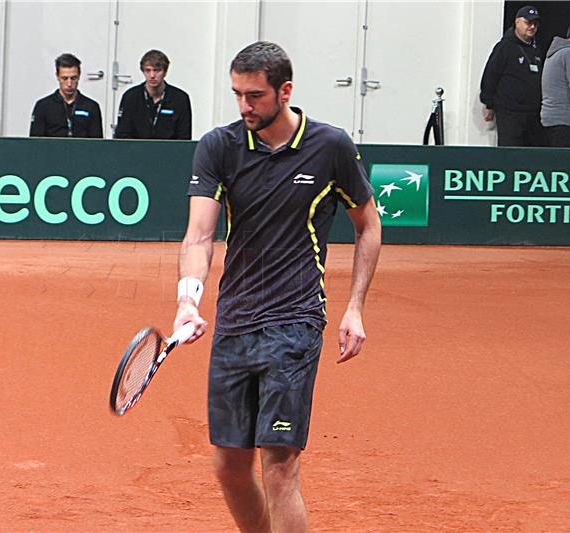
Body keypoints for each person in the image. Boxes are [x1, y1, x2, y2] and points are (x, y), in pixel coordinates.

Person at [172, 41, 381, 533]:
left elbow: (367, 224)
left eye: (255, 96)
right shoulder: (219, 146)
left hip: (295, 322)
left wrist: (354, 308)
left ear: (285, 92)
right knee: (228, 468)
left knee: (279, 465)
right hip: (235, 323)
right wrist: (187, 299)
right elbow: (199, 235)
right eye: (237, 94)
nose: (244, 106)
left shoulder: (329, 147)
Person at [480, 5, 545, 146]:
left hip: (532, 113)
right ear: (517, 22)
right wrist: (488, 104)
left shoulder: (536, 50)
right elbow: (490, 75)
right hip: (510, 112)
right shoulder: (504, 47)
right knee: (510, 154)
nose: (532, 27)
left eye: (535, 24)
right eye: (528, 23)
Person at [113, 49, 192, 140]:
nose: (152, 75)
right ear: (143, 72)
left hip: (168, 151)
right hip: (136, 150)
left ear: (165, 72)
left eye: (157, 70)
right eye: (148, 70)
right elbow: (123, 135)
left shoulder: (180, 99)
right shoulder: (131, 97)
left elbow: (184, 137)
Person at [29, 53, 103, 138]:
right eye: (64, 78)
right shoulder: (43, 106)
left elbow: (97, 145)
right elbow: (35, 144)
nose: (69, 84)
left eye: (73, 78)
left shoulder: (91, 107)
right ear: (57, 76)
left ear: (79, 76)